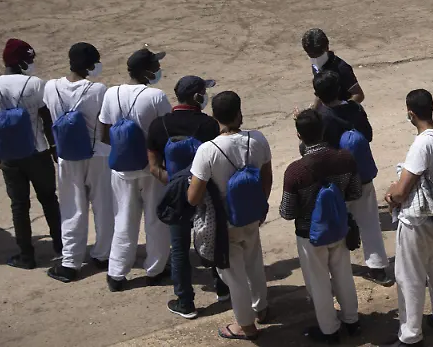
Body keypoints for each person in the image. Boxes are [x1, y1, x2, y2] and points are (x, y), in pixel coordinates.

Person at [188, 91, 272, 340]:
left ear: (215, 118)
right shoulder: (257, 139)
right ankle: (262, 308)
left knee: (233, 275)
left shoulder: (207, 150)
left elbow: (193, 197)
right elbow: (267, 179)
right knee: (254, 262)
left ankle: (245, 326)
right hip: (251, 215)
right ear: (239, 113)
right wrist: (259, 207)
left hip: (225, 223)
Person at [383, 89, 433, 347]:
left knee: (409, 277)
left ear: (411, 114)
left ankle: (410, 335)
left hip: (417, 220)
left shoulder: (421, 144)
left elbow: (402, 191)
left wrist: (390, 196)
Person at [146, 76, 225, 317]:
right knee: (213, 239)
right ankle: (222, 287)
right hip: (205, 193)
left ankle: (185, 302)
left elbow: (153, 166)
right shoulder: (209, 125)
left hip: (176, 196)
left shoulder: (159, 125)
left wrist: (176, 186)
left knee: (179, 248)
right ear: (197, 97)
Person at [280, 109, 361, 343]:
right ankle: (352, 321)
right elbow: (355, 192)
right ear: (323, 130)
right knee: (343, 275)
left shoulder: (295, 171)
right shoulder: (345, 158)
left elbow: (287, 212)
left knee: (319, 283)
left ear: (299, 135)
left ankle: (329, 330)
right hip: (339, 227)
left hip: (309, 235)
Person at [0, 38, 60, 269]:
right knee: (49, 200)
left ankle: (26, 257)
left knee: (19, 205)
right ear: (23, 61)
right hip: (38, 153)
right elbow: (47, 120)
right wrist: (54, 149)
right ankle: (62, 247)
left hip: (9, 157)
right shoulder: (36, 85)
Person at [101, 47, 173, 291]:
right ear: (146, 71)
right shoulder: (156, 96)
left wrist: (125, 152)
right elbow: (167, 133)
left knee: (123, 221)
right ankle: (155, 270)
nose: (158, 69)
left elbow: (104, 133)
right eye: (155, 65)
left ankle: (116, 274)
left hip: (122, 170)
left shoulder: (111, 94)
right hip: (151, 169)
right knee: (156, 221)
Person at [313, 70, 391, 286]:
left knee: (336, 222)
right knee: (370, 222)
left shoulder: (323, 117)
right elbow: (369, 135)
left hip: (337, 181)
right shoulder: (355, 109)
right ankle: (377, 268)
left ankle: (338, 270)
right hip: (362, 174)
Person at [43, 43, 111, 282]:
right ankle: (103, 254)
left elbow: (46, 118)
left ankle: (70, 261)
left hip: (67, 156)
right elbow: (106, 124)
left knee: (72, 208)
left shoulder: (50, 87)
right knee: (104, 207)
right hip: (98, 155)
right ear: (91, 65)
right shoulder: (99, 90)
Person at [302, 28, 364, 105]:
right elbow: (320, 93)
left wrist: (341, 108)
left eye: (318, 55)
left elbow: (358, 95)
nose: (315, 59)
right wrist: (313, 111)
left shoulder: (342, 68)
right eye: (311, 55)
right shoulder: (316, 66)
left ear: (327, 48)